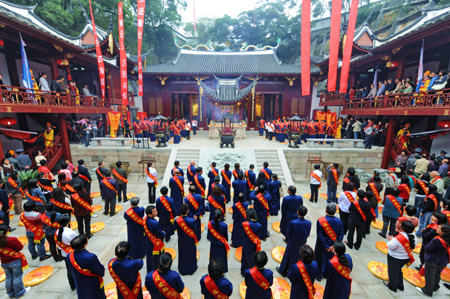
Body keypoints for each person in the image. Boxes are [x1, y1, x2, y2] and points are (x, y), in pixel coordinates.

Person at [67, 234, 106, 299]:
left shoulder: (69, 256)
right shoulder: (90, 257)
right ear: (84, 244)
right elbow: (100, 271)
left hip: (79, 281)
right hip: (91, 283)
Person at [277, 205, 311, 276]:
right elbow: (307, 233)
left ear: (297, 212)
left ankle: (283, 270)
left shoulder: (292, 222)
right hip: (302, 242)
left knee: (287, 256)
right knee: (298, 256)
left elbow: (288, 233)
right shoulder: (308, 223)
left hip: (292, 241)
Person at [417, 223, 450, 296]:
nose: (437, 228)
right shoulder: (447, 240)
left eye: (439, 228)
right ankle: (435, 286)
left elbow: (428, 248)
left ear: (443, 232)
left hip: (433, 260)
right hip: (443, 262)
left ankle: (427, 290)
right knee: (437, 274)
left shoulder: (437, 240)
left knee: (430, 276)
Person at [383, 220, 416, 292]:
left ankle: (392, 286)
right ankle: (400, 285)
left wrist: (390, 240)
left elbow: (390, 246)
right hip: (405, 258)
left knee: (393, 272)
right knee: (398, 271)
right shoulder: (413, 236)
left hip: (395, 258)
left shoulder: (399, 238)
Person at [314, 204, 344, 280]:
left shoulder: (321, 220)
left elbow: (319, 235)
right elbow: (341, 235)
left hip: (322, 245)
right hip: (333, 246)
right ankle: (326, 274)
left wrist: (326, 245)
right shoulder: (339, 221)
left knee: (320, 260)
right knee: (329, 260)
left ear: (326, 210)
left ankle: (319, 275)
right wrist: (334, 245)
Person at [0, 224, 30, 298]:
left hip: (4, 262)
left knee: (8, 277)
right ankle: (19, 292)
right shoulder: (11, 239)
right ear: (7, 231)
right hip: (15, 261)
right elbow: (20, 247)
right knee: (17, 277)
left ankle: (11, 293)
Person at [55, 215, 77, 290]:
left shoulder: (57, 232)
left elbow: (58, 245)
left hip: (65, 253)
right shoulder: (70, 232)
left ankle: (72, 285)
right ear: (68, 222)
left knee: (69, 269)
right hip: (73, 254)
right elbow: (77, 242)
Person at [175, 204, 198, 275]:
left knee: (182, 253)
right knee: (190, 253)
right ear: (187, 211)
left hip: (181, 240)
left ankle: (182, 269)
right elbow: (195, 230)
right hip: (190, 240)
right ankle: (191, 268)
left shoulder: (177, 220)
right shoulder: (192, 221)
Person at [143, 205, 165, 272]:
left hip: (149, 241)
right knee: (156, 258)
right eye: (154, 211)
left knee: (150, 257)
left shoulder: (145, 219)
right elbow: (160, 234)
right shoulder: (154, 223)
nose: (156, 212)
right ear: (149, 214)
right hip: (155, 243)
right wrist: (164, 233)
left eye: (156, 210)